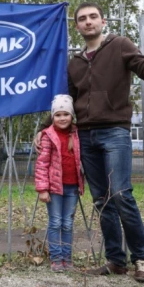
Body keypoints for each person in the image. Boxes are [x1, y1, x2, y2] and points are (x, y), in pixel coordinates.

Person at [34, 2, 144, 282]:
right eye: (82, 19)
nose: (88, 22)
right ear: (76, 26)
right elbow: (67, 102)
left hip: (114, 132)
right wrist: (45, 128)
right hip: (84, 136)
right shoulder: (74, 63)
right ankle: (115, 260)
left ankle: (142, 259)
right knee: (102, 200)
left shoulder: (120, 45)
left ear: (103, 21)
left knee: (121, 194)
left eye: (93, 17)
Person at [35, 94, 85, 272]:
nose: (62, 118)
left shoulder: (77, 134)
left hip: (72, 186)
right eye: (57, 115)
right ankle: (56, 259)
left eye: (66, 114)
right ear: (52, 117)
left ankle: (67, 258)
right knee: (55, 222)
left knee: (68, 223)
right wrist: (42, 188)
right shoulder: (48, 135)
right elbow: (42, 163)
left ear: (72, 116)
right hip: (55, 188)